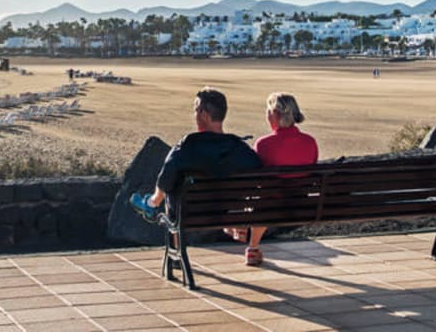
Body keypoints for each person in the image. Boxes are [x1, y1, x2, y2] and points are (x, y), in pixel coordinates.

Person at [129, 87, 261, 227]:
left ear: (204, 114)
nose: (195, 114)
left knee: (172, 189)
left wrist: (155, 200)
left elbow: (166, 180)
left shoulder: (187, 146)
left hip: (189, 214)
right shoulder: (239, 148)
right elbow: (257, 169)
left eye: (196, 110)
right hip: (228, 212)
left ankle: (151, 204)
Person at [230, 93, 319, 266]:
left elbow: (255, 176)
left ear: (276, 115)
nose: (266, 115)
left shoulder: (264, 145)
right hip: (302, 205)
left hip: (269, 207)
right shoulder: (310, 142)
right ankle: (251, 246)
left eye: (268, 111)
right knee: (268, 196)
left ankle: (252, 247)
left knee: (262, 197)